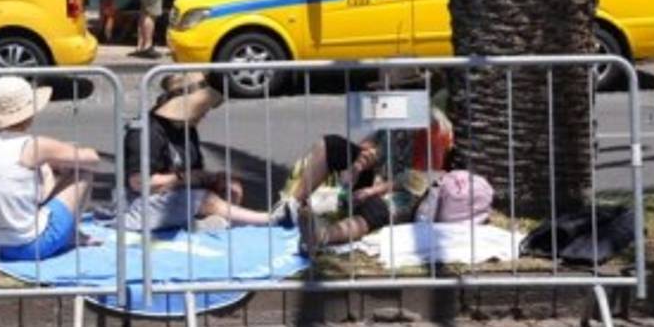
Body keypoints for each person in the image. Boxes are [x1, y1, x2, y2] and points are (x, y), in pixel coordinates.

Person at [281, 97, 454, 255]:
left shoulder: (433, 127)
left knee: (377, 209)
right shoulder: (395, 113)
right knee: (332, 145)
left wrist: (372, 191)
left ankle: (321, 236)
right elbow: (373, 147)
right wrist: (357, 167)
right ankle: (292, 206)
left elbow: (418, 179)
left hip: (405, 193)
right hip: (378, 180)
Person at [122, 73, 281, 232]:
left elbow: (194, 171)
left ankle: (211, 224)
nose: (204, 113)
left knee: (229, 187)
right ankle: (269, 220)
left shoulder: (186, 128)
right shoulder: (146, 131)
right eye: (201, 108)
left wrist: (213, 179)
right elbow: (139, 183)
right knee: (204, 200)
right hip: (138, 204)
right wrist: (184, 178)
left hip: (175, 195)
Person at [0, 76, 101, 261]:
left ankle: (62, 230)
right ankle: (71, 233)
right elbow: (92, 159)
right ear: (29, 114)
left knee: (43, 172)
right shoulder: (35, 146)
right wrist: (61, 163)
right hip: (27, 247)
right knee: (83, 172)